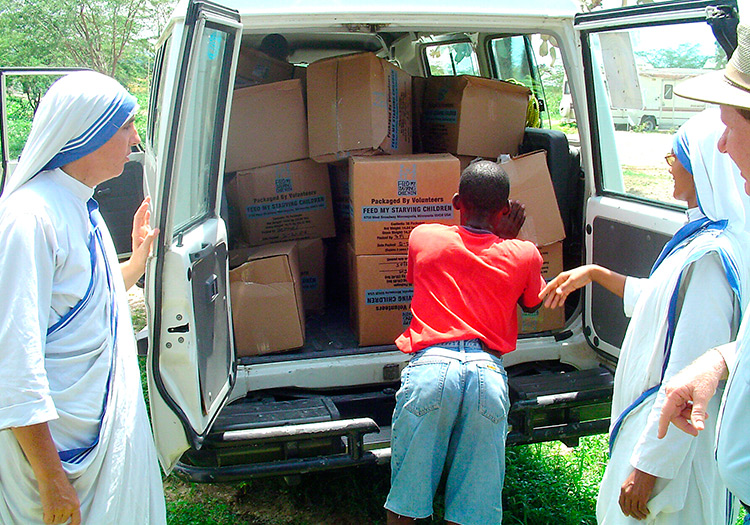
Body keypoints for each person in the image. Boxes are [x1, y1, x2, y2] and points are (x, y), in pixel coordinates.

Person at [540, 109, 750, 524]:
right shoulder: (702, 238)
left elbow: (688, 370)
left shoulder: (709, 259)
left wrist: (650, 468)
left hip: (673, 453)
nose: (669, 167)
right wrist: (596, 273)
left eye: (675, 158)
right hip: (656, 429)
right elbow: (659, 300)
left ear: (701, 164)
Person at [0, 71, 165, 524]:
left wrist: (137, 259)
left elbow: (90, 305)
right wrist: (51, 479)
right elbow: (14, 361)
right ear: (88, 132)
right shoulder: (30, 218)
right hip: (60, 465)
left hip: (98, 439)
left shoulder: (78, 202)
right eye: (125, 125)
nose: (135, 137)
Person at [383, 160, 544, 525]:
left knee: (406, 500)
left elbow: (427, 272)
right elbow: (534, 304)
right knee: (473, 507)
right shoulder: (524, 254)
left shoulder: (423, 237)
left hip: (430, 369)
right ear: (505, 211)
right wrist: (505, 240)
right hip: (487, 375)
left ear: (457, 202)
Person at [658, 21, 750, 517]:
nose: (721, 147)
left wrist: (647, 467)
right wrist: (726, 361)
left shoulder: (715, 258)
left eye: (730, 129)